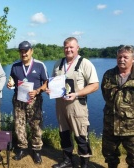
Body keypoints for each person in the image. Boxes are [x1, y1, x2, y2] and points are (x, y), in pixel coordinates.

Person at [48, 37, 99, 168]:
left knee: (81, 135)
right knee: (64, 133)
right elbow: (52, 82)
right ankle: (67, 160)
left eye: (71, 47)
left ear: (77, 48)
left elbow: (94, 85)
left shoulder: (85, 63)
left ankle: (84, 162)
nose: (68, 49)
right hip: (60, 105)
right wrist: (50, 90)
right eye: (66, 47)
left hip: (77, 105)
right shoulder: (58, 63)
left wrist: (76, 93)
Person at [7, 41, 48, 164]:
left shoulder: (40, 65)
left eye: (26, 51)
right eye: (21, 51)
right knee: (19, 125)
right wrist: (9, 84)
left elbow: (46, 83)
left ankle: (36, 150)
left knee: (36, 125)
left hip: (34, 100)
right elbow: (11, 81)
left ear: (31, 51)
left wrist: (37, 91)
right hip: (19, 99)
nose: (23, 53)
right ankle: (22, 148)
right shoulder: (15, 66)